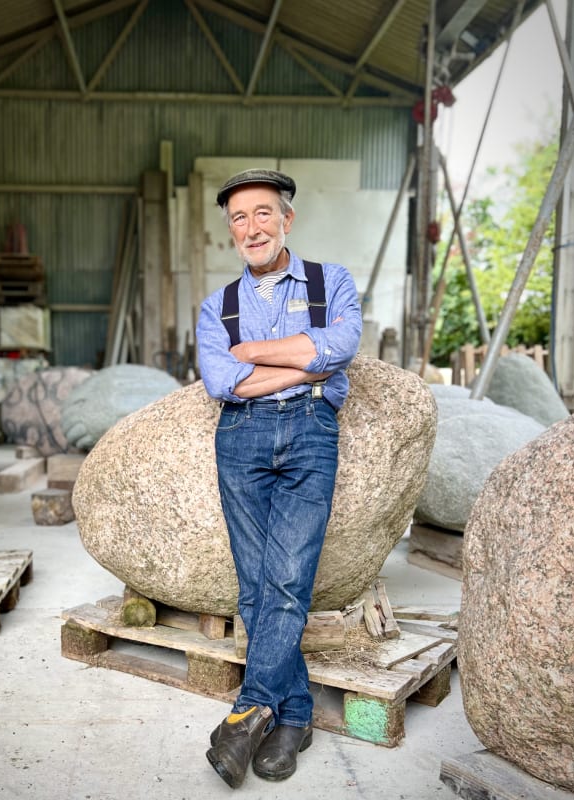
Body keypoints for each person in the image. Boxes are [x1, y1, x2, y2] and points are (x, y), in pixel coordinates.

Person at [196, 168, 362, 788]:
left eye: (263, 213)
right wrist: (305, 364)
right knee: (254, 589)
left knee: (287, 580)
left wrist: (253, 355)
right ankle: (293, 717)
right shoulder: (217, 307)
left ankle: (247, 715)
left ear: (287, 219)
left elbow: (341, 345)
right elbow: (222, 382)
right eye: (239, 218)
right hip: (240, 437)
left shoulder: (330, 281)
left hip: (311, 432)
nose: (252, 227)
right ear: (231, 231)